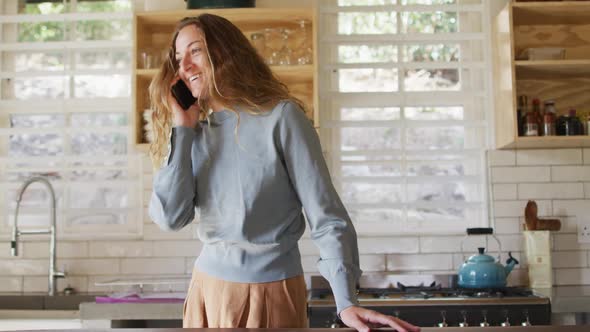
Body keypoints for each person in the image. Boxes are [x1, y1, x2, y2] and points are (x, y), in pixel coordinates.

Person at [147, 13, 420, 332]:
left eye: (195, 51)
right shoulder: (195, 133)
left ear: (225, 53)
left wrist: (345, 301)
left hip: (273, 293)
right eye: (179, 59)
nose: (185, 67)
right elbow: (169, 217)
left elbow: (327, 218)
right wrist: (183, 129)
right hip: (206, 292)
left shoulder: (282, 118)